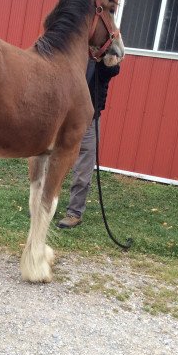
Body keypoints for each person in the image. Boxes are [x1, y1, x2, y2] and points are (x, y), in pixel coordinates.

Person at [56, 57, 120, 229]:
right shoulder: (76, 51)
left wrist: (108, 60)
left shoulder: (103, 57)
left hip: (88, 121)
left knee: (83, 169)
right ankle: (46, 204)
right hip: (64, 118)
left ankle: (74, 213)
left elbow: (112, 70)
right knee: (52, 161)